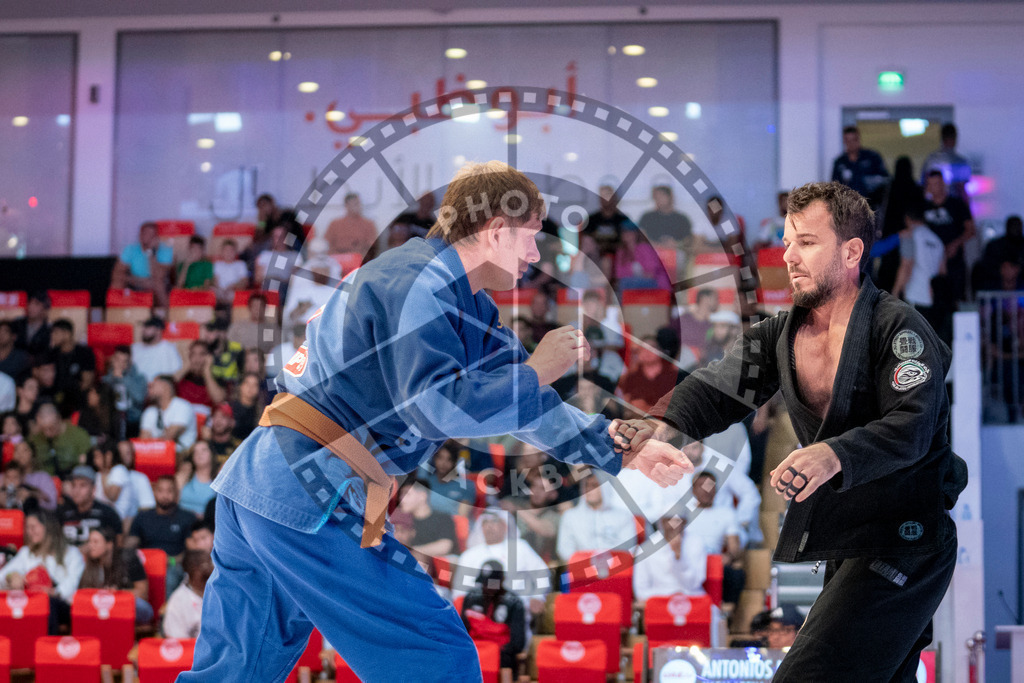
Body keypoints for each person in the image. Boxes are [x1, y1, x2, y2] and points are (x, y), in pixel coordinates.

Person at [182, 161, 690, 683]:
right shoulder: (414, 282)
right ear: (497, 231)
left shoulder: (462, 302)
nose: (537, 255)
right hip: (308, 487)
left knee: (237, 669)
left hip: (263, 484)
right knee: (435, 657)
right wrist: (538, 369)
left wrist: (618, 446)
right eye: (532, 237)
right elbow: (433, 407)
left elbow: (523, 406)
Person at [613, 180, 967, 681]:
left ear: (851, 251)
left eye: (806, 242)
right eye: (786, 242)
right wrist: (663, 424)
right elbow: (718, 387)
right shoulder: (782, 334)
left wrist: (832, 455)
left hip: (906, 540)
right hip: (849, 543)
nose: (789, 256)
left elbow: (911, 427)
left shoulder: (899, 329)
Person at [0, 509, 85, 634]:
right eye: (27, 528)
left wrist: (55, 592)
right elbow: (3, 575)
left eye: (33, 527)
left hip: (61, 605)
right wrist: (11, 577)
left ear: (48, 527)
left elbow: (73, 581)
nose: (30, 532)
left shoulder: (71, 553)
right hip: (31, 603)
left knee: (48, 603)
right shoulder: (27, 553)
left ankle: (46, 645)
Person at [127, 475, 198, 595]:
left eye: (169, 491)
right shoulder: (143, 517)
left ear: (177, 493)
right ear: (154, 492)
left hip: (173, 564)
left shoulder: (187, 518)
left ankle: (166, 612)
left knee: (170, 575)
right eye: (160, 490)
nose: (165, 495)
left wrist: (172, 561)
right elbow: (130, 545)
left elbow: (191, 551)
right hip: (144, 564)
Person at [892, 206, 950, 345]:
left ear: (907, 219)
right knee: (928, 341)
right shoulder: (937, 241)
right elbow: (943, 271)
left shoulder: (909, 235)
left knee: (912, 343)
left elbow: (907, 265)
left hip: (914, 295)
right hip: (932, 298)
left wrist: (895, 292)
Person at [459, 560, 528, 670]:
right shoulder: (471, 597)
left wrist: (490, 653)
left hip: (500, 657)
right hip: (474, 652)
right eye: (484, 583)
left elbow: (517, 643)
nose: (487, 587)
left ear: (502, 581)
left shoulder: (514, 602)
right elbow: (462, 632)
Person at [78, 526, 154, 623]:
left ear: (109, 544)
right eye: (89, 541)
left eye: (95, 542)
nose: (90, 546)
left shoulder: (128, 558)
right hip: (99, 607)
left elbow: (143, 593)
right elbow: (82, 592)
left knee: (142, 607)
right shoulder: (91, 563)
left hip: (124, 605)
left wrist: (117, 594)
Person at [555, 473, 637, 561]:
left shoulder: (623, 516)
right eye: (587, 485)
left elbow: (629, 547)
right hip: (581, 569)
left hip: (617, 569)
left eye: (594, 485)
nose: (589, 490)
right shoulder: (570, 516)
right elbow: (564, 549)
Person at [923, 170, 975, 302]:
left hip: (954, 261)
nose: (935, 187)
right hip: (931, 262)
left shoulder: (956, 204)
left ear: (943, 184)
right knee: (934, 300)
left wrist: (956, 244)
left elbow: (970, 229)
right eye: (932, 184)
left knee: (956, 298)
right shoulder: (924, 207)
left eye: (938, 184)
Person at [632, 515, 708, 603]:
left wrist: (678, 557)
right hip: (658, 604)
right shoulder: (645, 549)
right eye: (669, 520)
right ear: (661, 523)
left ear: (685, 522)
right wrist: (670, 597)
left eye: (678, 521)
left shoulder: (697, 543)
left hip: (691, 601)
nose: (674, 525)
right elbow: (641, 592)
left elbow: (695, 584)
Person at [111, 221, 173, 309]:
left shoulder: (165, 250)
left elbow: (159, 276)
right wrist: (136, 280)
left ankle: (168, 316)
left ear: (157, 237)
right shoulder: (130, 249)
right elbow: (117, 273)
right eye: (146, 233)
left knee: (158, 284)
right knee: (117, 282)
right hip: (135, 281)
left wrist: (151, 252)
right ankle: (115, 316)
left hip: (155, 283)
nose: (149, 237)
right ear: (140, 235)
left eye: (152, 235)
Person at [57, 465, 123, 546]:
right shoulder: (62, 513)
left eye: (82, 485)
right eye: (74, 485)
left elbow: (118, 544)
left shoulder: (107, 514)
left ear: (93, 489)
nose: (77, 491)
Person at [831, 126, 889, 208]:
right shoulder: (840, 162)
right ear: (844, 141)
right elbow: (834, 187)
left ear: (859, 139)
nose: (851, 144)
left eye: (854, 140)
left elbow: (885, 180)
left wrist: (870, 182)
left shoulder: (872, 157)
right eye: (848, 140)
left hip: (871, 206)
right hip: (848, 208)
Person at [28, 403, 91, 478]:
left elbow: (83, 465)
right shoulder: (36, 437)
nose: (47, 433)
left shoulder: (78, 435)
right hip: (42, 482)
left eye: (51, 428)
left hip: (71, 480)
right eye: (43, 429)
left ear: (59, 419)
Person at [139, 375, 198, 453]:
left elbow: (169, 437)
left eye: (153, 385)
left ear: (166, 386)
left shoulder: (182, 406)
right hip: (154, 456)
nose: (149, 388)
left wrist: (152, 443)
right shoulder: (150, 411)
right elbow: (143, 442)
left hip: (182, 455)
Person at [163, 549, 213, 639]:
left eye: (211, 564)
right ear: (191, 570)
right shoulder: (178, 601)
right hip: (193, 650)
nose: (209, 570)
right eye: (204, 566)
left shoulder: (221, 592)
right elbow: (177, 642)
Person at [102, 344, 148, 440]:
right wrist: (113, 379)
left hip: (133, 422)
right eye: (118, 360)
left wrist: (122, 379)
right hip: (110, 423)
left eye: (125, 361)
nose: (121, 365)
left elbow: (139, 398)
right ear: (113, 360)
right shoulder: (105, 380)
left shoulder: (139, 378)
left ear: (130, 362)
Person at [90, 443, 138, 529]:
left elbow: (112, 496)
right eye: (94, 457)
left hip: (119, 521)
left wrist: (104, 476)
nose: (95, 461)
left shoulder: (119, 470)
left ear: (109, 456)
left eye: (98, 456)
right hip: (103, 520)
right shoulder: (98, 475)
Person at [920, 123, 972, 202]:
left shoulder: (931, 159)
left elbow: (925, 185)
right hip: (951, 205)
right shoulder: (960, 162)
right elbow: (962, 190)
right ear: (955, 139)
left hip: (939, 204)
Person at [582, 185, 636, 258]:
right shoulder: (591, 219)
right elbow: (585, 241)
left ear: (614, 198)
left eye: (607, 196)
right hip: (596, 256)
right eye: (602, 196)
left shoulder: (623, 219)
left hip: (619, 257)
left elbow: (629, 241)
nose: (605, 199)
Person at [175, 341, 227, 410]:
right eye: (193, 354)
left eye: (202, 354)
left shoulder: (216, 376)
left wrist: (207, 371)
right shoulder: (182, 377)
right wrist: (187, 366)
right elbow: (169, 387)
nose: (197, 358)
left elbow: (218, 399)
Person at [9, 440, 59, 511]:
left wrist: (31, 495)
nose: (20, 454)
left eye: (25, 450)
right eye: (16, 450)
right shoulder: (4, 477)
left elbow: (52, 505)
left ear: (32, 454)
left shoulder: (42, 477)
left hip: (37, 516)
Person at [131, 317, 183, 384]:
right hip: (137, 388)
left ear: (158, 331)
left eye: (148, 327)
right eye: (144, 327)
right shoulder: (134, 348)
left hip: (160, 388)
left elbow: (176, 373)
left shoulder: (169, 349)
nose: (143, 330)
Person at [325, 192, 378, 257]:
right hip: (337, 260)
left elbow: (371, 246)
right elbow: (326, 245)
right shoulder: (334, 224)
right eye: (355, 204)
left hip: (360, 259)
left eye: (359, 203)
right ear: (346, 205)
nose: (359, 206)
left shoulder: (369, 224)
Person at [176, 440, 218, 516]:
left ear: (212, 454)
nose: (199, 454)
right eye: (195, 452)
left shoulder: (218, 479)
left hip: (208, 523)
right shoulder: (184, 476)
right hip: (183, 522)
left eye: (204, 450)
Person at [116, 439, 157, 513]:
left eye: (128, 453)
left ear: (133, 455)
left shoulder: (141, 478)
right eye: (120, 453)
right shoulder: (104, 475)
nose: (123, 456)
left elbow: (147, 506)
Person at [10, 291, 52, 358]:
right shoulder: (16, 325)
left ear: (45, 308)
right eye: (29, 303)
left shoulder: (49, 330)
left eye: (36, 304)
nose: (31, 307)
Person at [213, 239, 251, 305]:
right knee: (212, 291)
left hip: (234, 291)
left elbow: (244, 281)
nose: (228, 253)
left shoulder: (241, 264)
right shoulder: (217, 264)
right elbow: (215, 280)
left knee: (233, 294)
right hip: (220, 292)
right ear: (222, 252)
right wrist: (221, 290)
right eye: (226, 250)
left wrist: (231, 287)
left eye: (231, 250)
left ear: (235, 252)